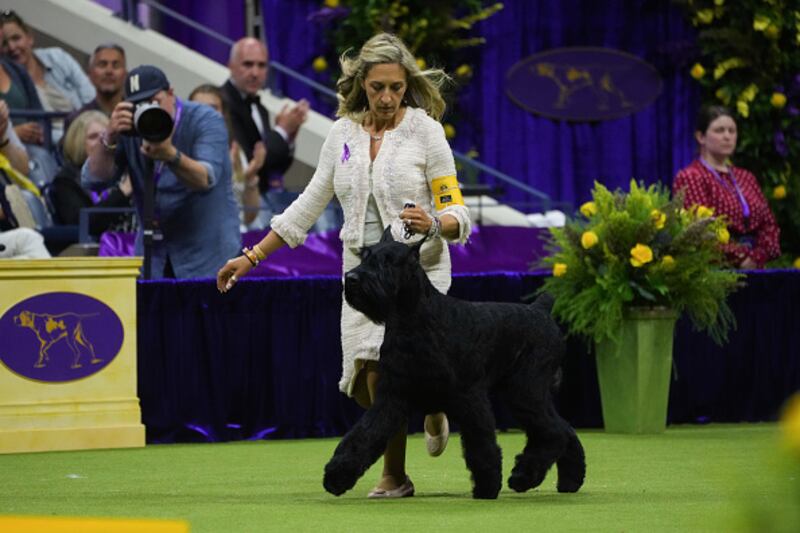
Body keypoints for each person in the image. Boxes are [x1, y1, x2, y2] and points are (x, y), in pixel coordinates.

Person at [216, 33, 472, 498]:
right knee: (360, 384)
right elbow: (308, 204)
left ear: (407, 85)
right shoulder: (342, 134)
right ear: (361, 85)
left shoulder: (426, 131)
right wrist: (250, 257)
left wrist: (435, 222)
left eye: (396, 87)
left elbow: (458, 212)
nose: (388, 97)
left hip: (415, 277)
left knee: (382, 371)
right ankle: (434, 403)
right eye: (378, 87)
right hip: (361, 278)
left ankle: (394, 477)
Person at [83, 65, 240, 278]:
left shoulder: (205, 119)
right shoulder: (130, 129)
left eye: (154, 101)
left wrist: (171, 155)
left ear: (171, 94)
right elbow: (93, 179)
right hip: (154, 256)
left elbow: (205, 179)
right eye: (138, 104)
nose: (147, 109)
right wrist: (109, 137)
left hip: (207, 256)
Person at [673, 105, 781, 269]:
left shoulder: (746, 177)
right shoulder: (691, 176)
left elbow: (769, 225)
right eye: (719, 130)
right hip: (717, 271)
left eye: (732, 131)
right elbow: (700, 229)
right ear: (701, 137)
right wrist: (741, 259)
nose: (727, 136)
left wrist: (758, 257)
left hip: (757, 268)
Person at [221, 37, 309, 222]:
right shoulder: (223, 103)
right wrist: (281, 131)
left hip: (262, 206)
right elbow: (249, 161)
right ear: (230, 66)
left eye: (261, 66)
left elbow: (272, 167)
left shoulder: (259, 106)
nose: (255, 73)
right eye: (248, 64)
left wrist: (289, 138)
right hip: (237, 210)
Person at [1, 10, 95, 143]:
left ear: (30, 38)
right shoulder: (8, 79)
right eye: (4, 43)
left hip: (87, 128)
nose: (11, 47)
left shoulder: (57, 57)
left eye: (16, 38)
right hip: (52, 143)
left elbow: (90, 97)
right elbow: (37, 130)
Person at [189, 83, 265, 228]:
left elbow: (249, 217)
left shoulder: (236, 150)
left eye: (212, 109)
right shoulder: (180, 150)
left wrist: (250, 177)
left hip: (235, 237)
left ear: (224, 114)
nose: (205, 114)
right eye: (197, 108)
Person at [51, 110, 132, 235]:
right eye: (93, 137)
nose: (101, 141)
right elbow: (81, 225)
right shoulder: (65, 181)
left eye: (106, 135)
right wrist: (121, 193)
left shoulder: (120, 172)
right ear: (77, 141)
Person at [63, 43, 127, 134]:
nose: (109, 71)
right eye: (102, 64)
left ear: (125, 74)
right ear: (90, 74)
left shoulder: (136, 116)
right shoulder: (75, 120)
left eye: (116, 65)